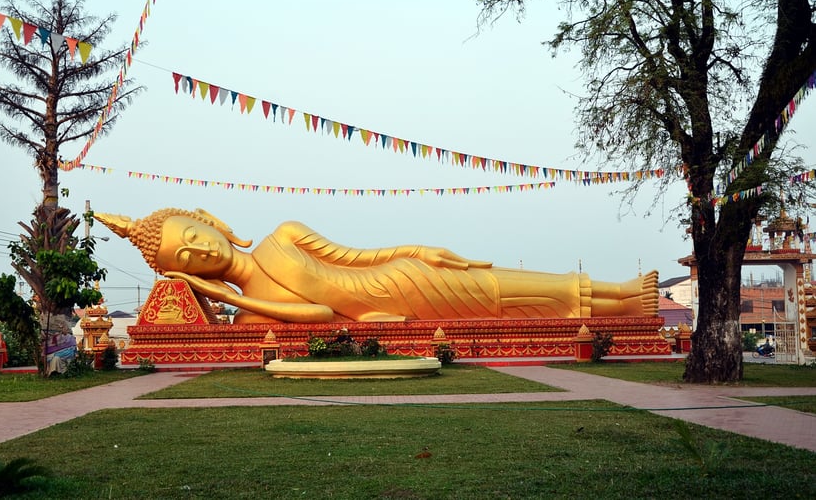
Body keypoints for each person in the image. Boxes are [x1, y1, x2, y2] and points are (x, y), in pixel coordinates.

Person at [96, 208, 659, 324]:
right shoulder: (254, 310)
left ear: (210, 221)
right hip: (387, 311)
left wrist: (419, 249)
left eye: (195, 235)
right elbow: (320, 313)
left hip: (402, 278)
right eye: (189, 259)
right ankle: (625, 309)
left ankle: (624, 294)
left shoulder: (282, 235)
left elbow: (357, 258)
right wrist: (230, 298)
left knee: (494, 282)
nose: (203, 250)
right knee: (497, 303)